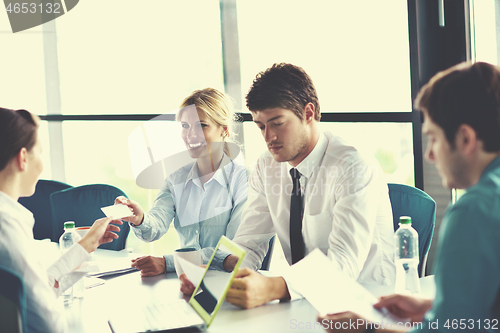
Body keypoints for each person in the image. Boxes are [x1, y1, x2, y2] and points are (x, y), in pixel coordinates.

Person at [182, 63, 395, 308]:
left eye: (277, 123)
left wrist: (272, 287)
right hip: (303, 301)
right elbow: (249, 244)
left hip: (365, 305)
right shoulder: (267, 166)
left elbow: (343, 263)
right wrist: (213, 277)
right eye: (261, 126)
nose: (268, 137)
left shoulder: (353, 166)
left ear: (308, 113)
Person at [318, 61, 500, 332]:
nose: (429, 154)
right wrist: (431, 306)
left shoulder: (474, 211)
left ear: (465, 138)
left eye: (434, 138)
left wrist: (369, 329)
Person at [0, 107, 123, 333]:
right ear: (23, 158)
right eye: (40, 152)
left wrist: (86, 245)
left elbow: (33, 289)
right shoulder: (7, 227)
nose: (42, 164)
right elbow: (48, 323)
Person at [116, 88, 248, 277]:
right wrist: (140, 219)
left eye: (202, 125)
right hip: (187, 280)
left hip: (229, 283)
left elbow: (232, 252)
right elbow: (155, 226)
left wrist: (168, 263)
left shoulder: (244, 180)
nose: (191, 135)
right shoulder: (176, 178)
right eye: (185, 126)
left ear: (224, 130)